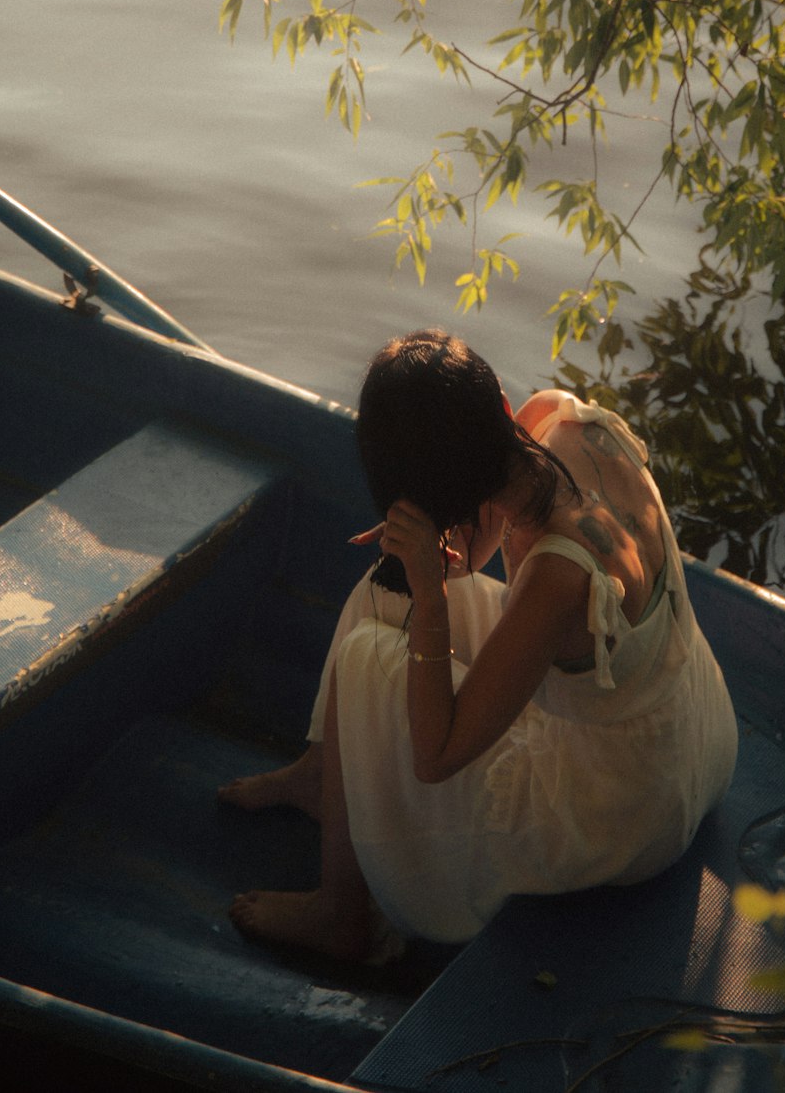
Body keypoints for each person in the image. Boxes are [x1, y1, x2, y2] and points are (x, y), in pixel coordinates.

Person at [223, 329, 738, 961]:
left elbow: (438, 756)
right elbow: (480, 547)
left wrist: (432, 595)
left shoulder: (558, 572)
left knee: (366, 656)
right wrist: (423, 549)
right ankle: (323, 776)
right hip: (690, 730)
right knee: (381, 596)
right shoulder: (557, 421)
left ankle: (343, 916)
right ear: (497, 403)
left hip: (626, 808)